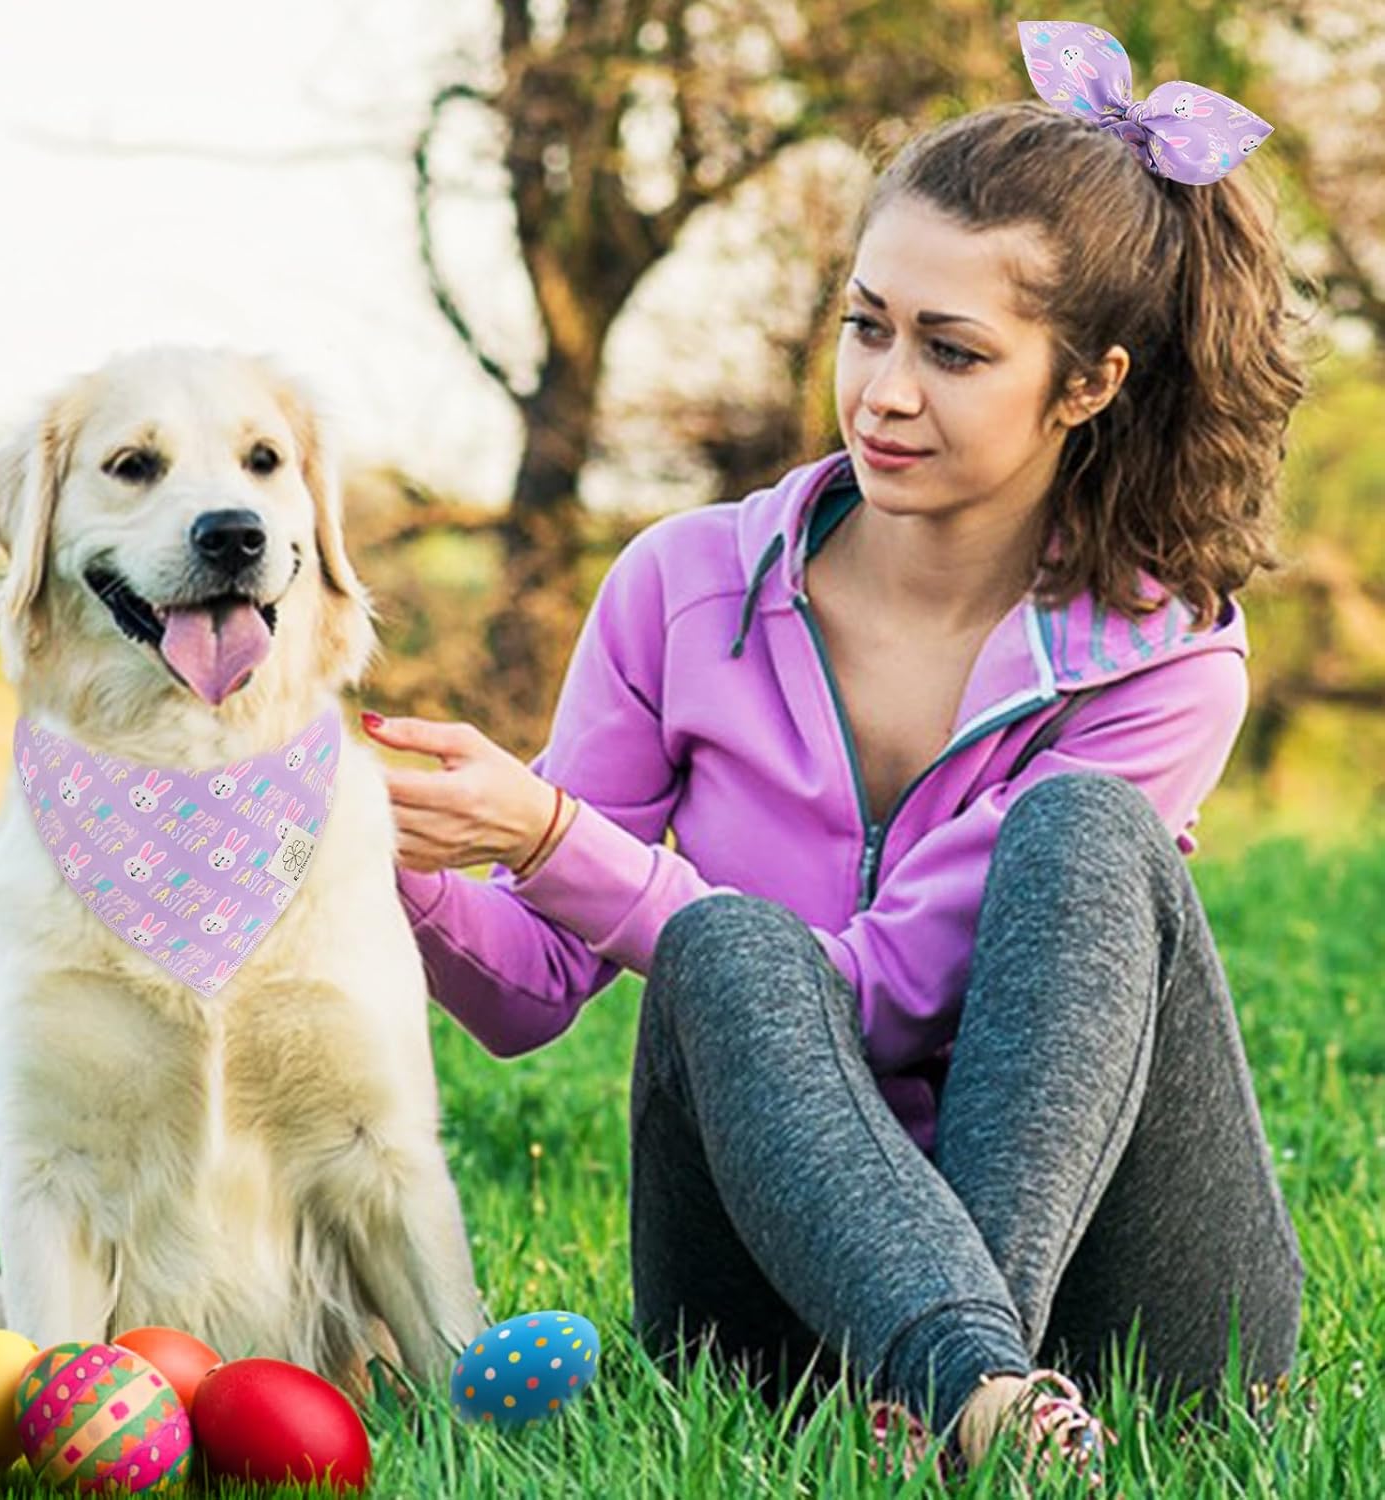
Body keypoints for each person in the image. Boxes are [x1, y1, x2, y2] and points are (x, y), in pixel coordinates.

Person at [360, 22, 1310, 1484]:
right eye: (868, 326)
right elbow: (525, 991)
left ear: (1087, 384)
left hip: (1117, 1306)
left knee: (1081, 834)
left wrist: (553, 838)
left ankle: (974, 1383)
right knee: (730, 946)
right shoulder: (684, 587)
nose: (884, 391)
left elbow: (882, 992)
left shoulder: (1165, 658)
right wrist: (382, 841)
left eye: (954, 352)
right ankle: (973, 1398)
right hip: (789, 1307)